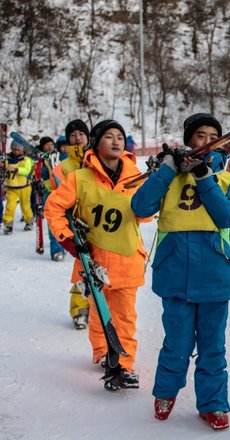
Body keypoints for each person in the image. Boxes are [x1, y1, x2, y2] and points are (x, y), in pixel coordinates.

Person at [131, 113, 230, 430]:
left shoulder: (228, 181)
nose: (206, 141)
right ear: (188, 140)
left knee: (212, 346)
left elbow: (226, 218)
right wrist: (166, 169)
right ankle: (165, 392)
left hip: (215, 276)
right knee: (176, 344)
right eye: (199, 135)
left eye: (212, 135)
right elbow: (140, 207)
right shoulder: (167, 179)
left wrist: (205, 176)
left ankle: (213, 402)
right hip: (174, 274)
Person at [44, 120, 148, 390]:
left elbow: (145, 215)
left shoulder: (135, 174)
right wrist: (68, 240)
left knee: (124, 315)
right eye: (109, 137)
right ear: (96, 142)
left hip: (127, 257)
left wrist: (153, 190)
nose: (115, 141)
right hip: (93, 259)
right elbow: (53, 208)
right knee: (99, 310)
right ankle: (102, 351)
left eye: (120, 137)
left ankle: (123, 364)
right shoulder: (80, 178)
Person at [51, 120, 92, 329]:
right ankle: (80, 310)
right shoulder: (61, 169)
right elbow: (56, 198)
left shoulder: (97, 160)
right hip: (77, 225)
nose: (77, 138)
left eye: (81, 134)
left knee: (106, 267)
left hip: (99, 220)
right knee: (81, 268)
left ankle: (105, 308)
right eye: (73, 135)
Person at [33, 136, 66, 261]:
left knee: (68, 222)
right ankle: (57, 250)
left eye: (51, 144)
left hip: (67, 193)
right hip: (51, 194)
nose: (49, 147)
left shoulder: (63, 157)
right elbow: (40, 175)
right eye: (47, 145)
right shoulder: (43, 160)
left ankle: (66, 245)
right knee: (54, 222)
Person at [2, 142, 34, 234]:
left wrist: (16, 169)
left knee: (25, 206)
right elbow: (4, 166)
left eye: (18, 150)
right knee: (9, 207)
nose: (16, 152)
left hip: (24, 187)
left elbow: (26, 170)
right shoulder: (7, 159)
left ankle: (29, 221)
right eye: (14, 149)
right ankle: (8, 224)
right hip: (11, 187)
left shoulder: (26, 159)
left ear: (22, 150)